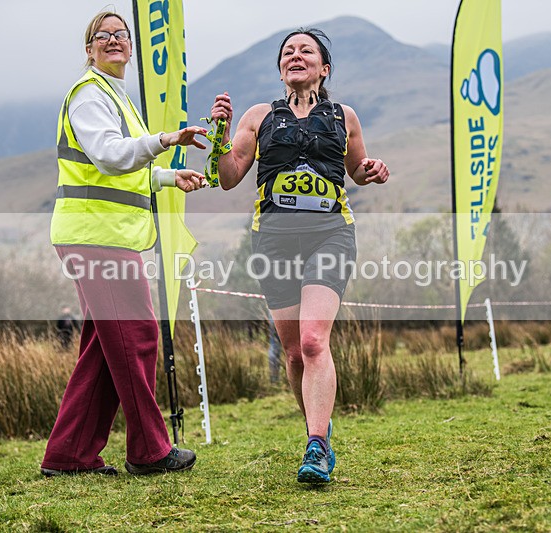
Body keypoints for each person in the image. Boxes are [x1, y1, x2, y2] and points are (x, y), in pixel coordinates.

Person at [209, 28, 389, 483]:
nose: (295, 55)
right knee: (293, 355)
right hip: (274, 241)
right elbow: (228, 177)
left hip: (330, 235)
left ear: (323, 68)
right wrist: (220, 137)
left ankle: (316, 445)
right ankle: (318, 428)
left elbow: (356, 169)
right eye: (288, 51)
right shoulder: (259, 116)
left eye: (306, 50)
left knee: (312, 341)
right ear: (280, 69)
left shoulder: (344, 116)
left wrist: (371, 170)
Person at [41, 10, 208, 477]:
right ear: (89, 48)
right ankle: (149, 451)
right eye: (103, 35)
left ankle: (68, 455)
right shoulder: (90, 94)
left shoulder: (115, 96)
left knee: (105, 347)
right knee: (136, 337)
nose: (114, 40)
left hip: (103, 236)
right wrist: (166, 138)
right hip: (97, 237)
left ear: (131, 47)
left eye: (121, 34)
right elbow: (111, 156)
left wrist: (168, 177)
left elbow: (123, 169)